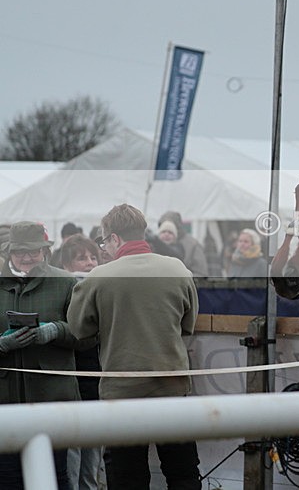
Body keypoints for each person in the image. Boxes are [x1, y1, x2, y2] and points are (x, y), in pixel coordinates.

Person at [67, 204, 201, 490]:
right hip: (172, 387)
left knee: (127, 479)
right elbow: (188, 325)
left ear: (114, 238)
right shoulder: (177, 269)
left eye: (104, 241)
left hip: (122, 391)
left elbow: (79, 330)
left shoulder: (98, 278)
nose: (105, 248)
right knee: (183, 473)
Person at [0, 221, 90, 490]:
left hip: (53, 400)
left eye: (34, 251)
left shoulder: (64, 283)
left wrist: (55, 331)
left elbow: (87, 336)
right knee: (8, 480)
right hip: (5, 405)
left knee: (54, 478)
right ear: (9, 252)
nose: (27, 257)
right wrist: (2, 345)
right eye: (20, 252)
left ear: (45, 251)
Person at [60, 235, 103, 490]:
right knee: (73, 445)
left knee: (93, 446)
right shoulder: (65, 290)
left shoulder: (102, 287)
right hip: (70, 375)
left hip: (95, 377)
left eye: (93, 256)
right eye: (81, 258)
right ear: (66, 265)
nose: (89, 262)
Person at [158, 211, 208, 276]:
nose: (166, 234)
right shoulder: (155, 245)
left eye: (169, 231)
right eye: (163, 231)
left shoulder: (192, 245)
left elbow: (201, 274)